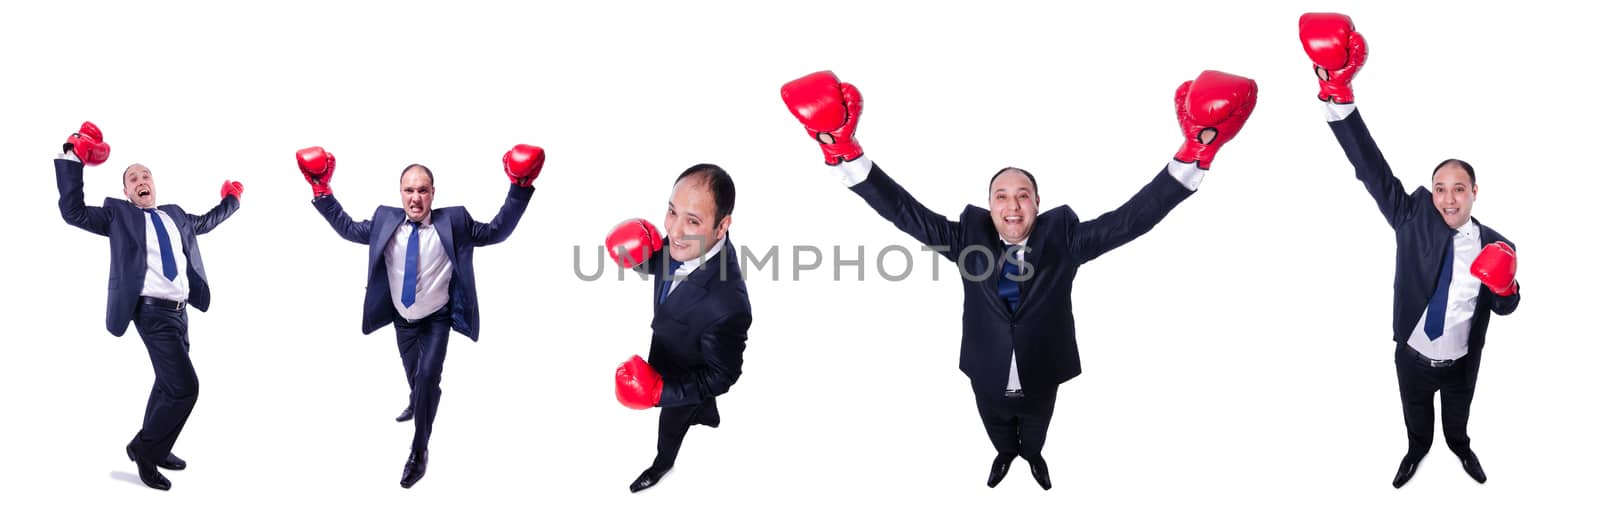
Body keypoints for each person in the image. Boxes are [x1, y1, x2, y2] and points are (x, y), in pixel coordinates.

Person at [778, 69, 1256, 490]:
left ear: (1036, 205)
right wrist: (843, 151)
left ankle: (1033, 456)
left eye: (1022, 195)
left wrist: (1197, 150)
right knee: (997, 429)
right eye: (1001, 196)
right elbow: (903, 212)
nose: (1012, 205)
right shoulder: (968, 243)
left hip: (1043, 370)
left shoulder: (1065, 241)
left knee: (1037, 429)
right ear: (990, 208)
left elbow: (1133, 218)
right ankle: (1005, 454)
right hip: (985, 370)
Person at [1299, 13, 1521, 488]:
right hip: (1413, 356)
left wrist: (1508, 284)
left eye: (1458, 189)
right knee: (1417, 422)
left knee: (1457, 423)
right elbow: (1370, 168)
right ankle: (1417, 451)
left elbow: (1507, 307)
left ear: (1475, 192)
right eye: (1440, 188)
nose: (1447, 198)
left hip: (1462, 361)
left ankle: (1460, 448)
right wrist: (1337, 97)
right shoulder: (1411, 217)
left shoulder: (1496, 244)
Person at [299, 144, 543, 488]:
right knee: (416, 378)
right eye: (409, 190)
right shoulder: (386, 220)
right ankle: (418, 400)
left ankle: (419, 450)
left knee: (428, 378)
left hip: (436, 319)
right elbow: (348, 228)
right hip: (402, 318)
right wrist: (321, 190)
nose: (416, 198)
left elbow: (495, 232)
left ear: (433, 193)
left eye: (423, 190)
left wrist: (519, 187)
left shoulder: (454, 220)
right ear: (400, 193)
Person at [54, 121, 243, 490]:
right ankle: (144, 450)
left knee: (166, 384)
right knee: (186, 388)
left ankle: (159, 444)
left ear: (153, 185)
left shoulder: (174, 214)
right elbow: (73, 212)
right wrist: (72, 157)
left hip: (180, 312)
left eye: (146, 175)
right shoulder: (118, 215)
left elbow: (206, 222)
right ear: (126, 190)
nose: (142, 180)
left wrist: (232, 200)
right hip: (151, 313)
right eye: (133, 177)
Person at [605, 163, 752, 493]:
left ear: (722, 226)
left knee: (670, 425)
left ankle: (662, 465)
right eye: (672, 212)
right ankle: (708, 414)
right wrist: (637, 257)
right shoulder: (683, 243)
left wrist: (661, 393)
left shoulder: (728, 306)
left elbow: (721, 375)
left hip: (684, 375)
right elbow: (663, 266)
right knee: (702, 406)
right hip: (670, 345)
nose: (674, 230)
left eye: (693, 221)